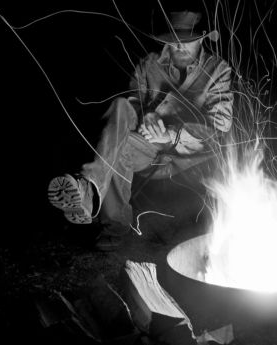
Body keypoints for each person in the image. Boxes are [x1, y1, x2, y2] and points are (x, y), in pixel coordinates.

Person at [48, 11, 233, 251]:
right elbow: (133, 103)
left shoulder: (218, 69)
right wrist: (148, 114)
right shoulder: (149, 64)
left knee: (119, 143)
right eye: (172, 38)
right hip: (149, 147)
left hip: (191, 154)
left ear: (202, 38)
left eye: (186, 39)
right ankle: (93, 193)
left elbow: (219, 126)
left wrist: (170, 134)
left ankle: (93, 192)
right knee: (120, 111)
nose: (178, 45)